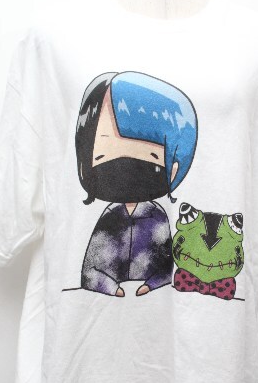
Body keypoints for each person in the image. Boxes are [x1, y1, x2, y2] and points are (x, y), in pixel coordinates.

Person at [75, 70, 198, 296]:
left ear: (173, 168)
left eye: (151, 158)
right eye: (104, 157)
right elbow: (91, 270)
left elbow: (166, 266)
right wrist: (110, 288)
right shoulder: (110, 217)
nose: (127, 170)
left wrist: (152, 284)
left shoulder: (157, 217)